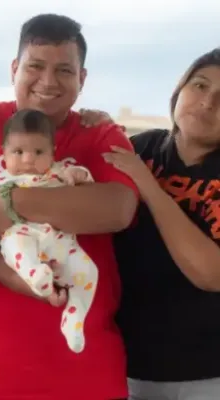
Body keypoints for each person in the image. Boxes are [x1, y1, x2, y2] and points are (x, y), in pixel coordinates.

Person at [0, 14, 139, 400]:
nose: (48, 81)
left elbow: (118, 209)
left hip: (85, 376)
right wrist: (16, 278)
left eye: (64, 70)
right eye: (35, 66)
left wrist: (7, 203)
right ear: (14, 69)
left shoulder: (102, 133)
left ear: (82, 79)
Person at [107, 48, 220, 400]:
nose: (207, 102)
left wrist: (148, 186)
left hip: (202, 375)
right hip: (119, 367)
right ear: (179, 88)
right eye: (199, 85)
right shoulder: (140, 147)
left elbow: (211, 273)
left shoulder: (139, 165)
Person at [0, 108, 97, 353]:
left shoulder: (61, 172)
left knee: (89, 273)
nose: (28, 160)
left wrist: (79, 174)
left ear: (53, 153)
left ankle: (74, 318)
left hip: (61, 243)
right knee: (15, 245)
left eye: (39, 152)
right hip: (21, 235)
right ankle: (35, 275)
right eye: (18, 152)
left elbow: (86, 184)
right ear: (4, 153)